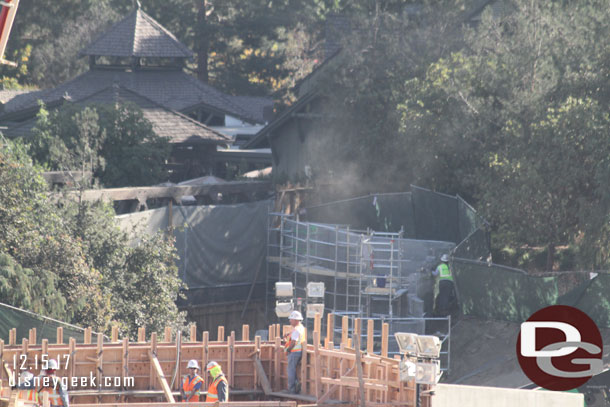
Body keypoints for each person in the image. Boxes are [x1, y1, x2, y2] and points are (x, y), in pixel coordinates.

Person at [284, 310, 305, 394]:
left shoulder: (296, 330)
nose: (290, 321)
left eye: (291, 319)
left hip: (294, 352)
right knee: (292, 370)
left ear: (296, 320)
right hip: (298, 352)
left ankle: (291, 389)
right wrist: (288, 334)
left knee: (290, 370)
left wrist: (288, 350)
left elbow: (294, 342)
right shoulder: (300, 327)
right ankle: (295, 386)